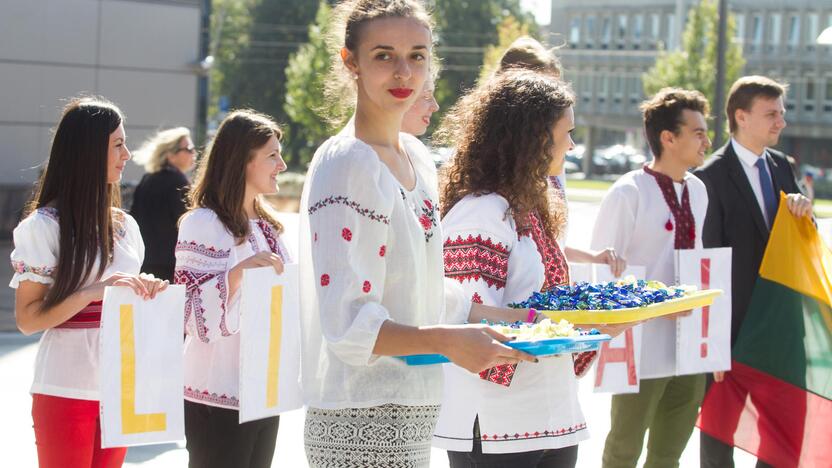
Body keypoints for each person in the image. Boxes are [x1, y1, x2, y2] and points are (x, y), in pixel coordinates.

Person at [298, 1, 539, 466]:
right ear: (351, 63)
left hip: (414, 407)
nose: (403, 71)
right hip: (357, 416)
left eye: (418, 55)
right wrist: (450, 341)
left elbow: (419, 285)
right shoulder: (348, 162)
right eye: (384, 55)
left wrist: (516, 321)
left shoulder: (416, 156)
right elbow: (348, 324)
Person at [434, 69, 608, 468]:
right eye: (567, 132)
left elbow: (546, 307)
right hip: (497, 424)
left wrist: (592, 326)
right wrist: (572, 325)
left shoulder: (529, 207)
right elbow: (470, 324)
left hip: (552, 413)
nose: (572, 143)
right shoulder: (481, 213)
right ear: (534, 139)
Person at [10, 96, 168, 468]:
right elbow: (28, 319)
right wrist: (95, 291)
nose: (127, 153)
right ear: (86, 151)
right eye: (117, 144)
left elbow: (122, 294)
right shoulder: (44, 228)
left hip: (122, 384)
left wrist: (143, 286)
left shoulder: (127, 227)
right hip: (65, 385)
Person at [694, 76, 812, 468]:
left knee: (784, 433)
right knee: (718, 434)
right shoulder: (709, 178)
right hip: (731, 333)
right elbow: (705, 265)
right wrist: (711, 341)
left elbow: (797, 245)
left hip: (779, 330)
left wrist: (803, 213)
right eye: (772, 114)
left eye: (782, 113)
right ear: (741, 117)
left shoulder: (783, 167)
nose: (782, 122)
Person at [592, 88, 712, 468]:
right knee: (623, 451)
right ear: (668, 137)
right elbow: (602, 278)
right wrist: (658, 307)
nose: (707, 141)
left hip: (690, 348)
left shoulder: (699, 190)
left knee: (669, 455)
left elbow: (699, 263)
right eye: (698, 132)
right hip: (637, 349)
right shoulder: (628, 192)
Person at [174, 110, 291, 468]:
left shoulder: (267, 227)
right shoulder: (203, 223)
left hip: (262, 390)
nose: (282, 165)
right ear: (243, 160)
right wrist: (237, 274)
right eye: (272, 155)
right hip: (217, 394)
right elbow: (190, 315)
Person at [496, 36, 625, 275]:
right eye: (546, 88)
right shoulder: (493, 175)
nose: (556, 99)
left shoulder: (554, 166)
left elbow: (552, 243)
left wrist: (593, 257)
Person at [130, 127, 195, 280]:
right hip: (170, 266)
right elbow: (188, 223)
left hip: (144, 262)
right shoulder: (178, 181)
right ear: (171, 155)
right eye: (189, 148)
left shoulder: (147, 178)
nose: (194, 153)